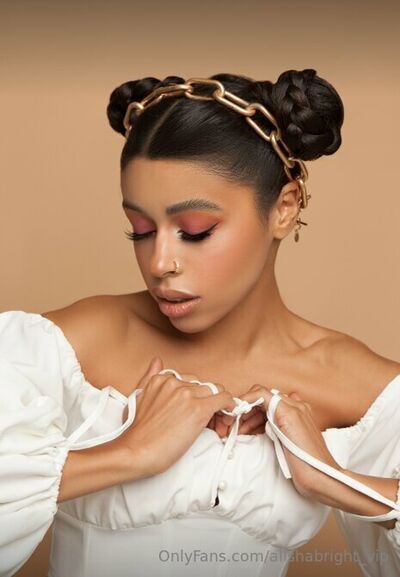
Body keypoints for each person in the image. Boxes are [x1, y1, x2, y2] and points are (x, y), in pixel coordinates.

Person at [1, 69, 399, 577]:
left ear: (284, 208)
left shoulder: (353, 383)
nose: (160, 262)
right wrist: (130, 453)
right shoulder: (75, 344)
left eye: (195, 231)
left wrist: (333, 480)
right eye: (140, 230)